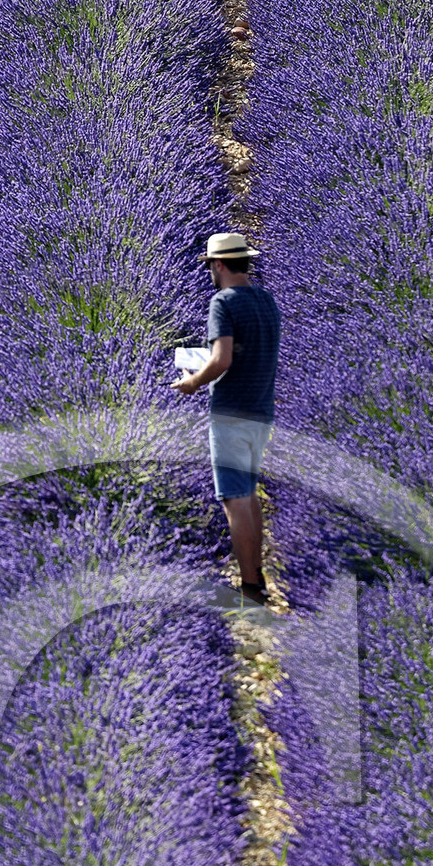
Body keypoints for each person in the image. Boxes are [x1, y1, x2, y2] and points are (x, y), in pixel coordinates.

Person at [173, 228, 281, 606]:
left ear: (218, 265)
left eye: (210, 267)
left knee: (234, 500)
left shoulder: (224, 302)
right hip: (260, 410)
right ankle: (259, 577)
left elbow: (222, 359)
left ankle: (250, 589)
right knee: (249, 495)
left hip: (231, 414)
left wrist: (193, 382)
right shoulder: (266, 301)